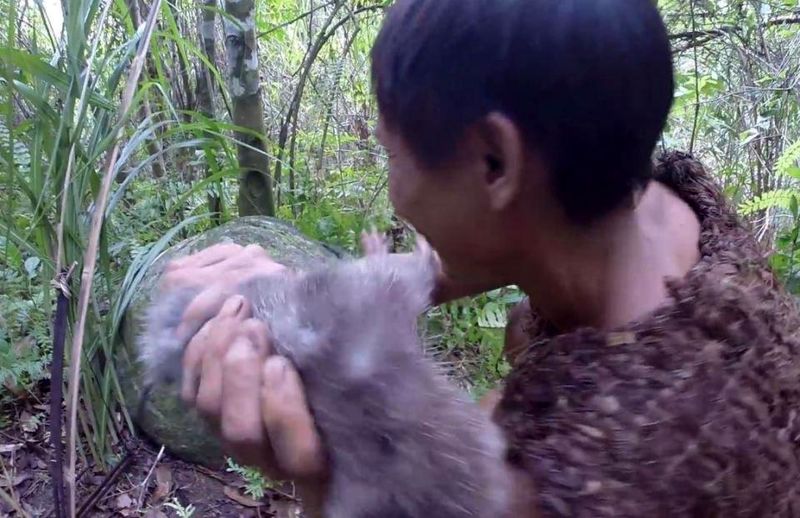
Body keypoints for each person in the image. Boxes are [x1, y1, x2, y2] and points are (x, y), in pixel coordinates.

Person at [159, 0, 800, 516]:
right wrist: (303, 300)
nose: (393, 189)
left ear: (494, 162)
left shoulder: (578, 481)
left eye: (390, 155)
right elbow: (468, 255)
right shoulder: (662, 205)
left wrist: (326, 476)